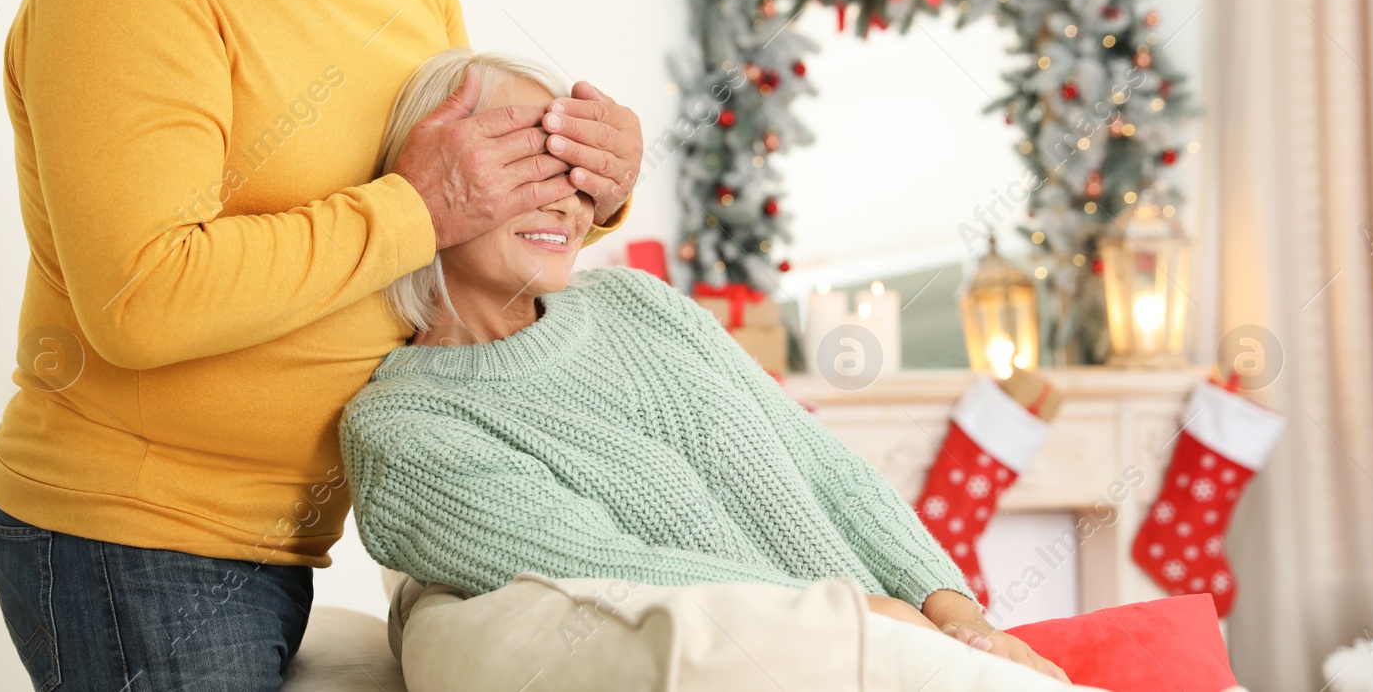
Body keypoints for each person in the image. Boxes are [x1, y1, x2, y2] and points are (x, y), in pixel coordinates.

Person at [0, 0, 642, 690]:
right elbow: (142, 297)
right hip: (141, 538)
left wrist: (587, 178)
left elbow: (452, 200)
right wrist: (413, 208)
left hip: (299, 533)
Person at [341, 50, 1075, 691]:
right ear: (429, 177)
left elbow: (823, 464)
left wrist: (956, 615)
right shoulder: (403, 429)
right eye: (523, 163)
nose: (568, 197)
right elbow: (620, 573)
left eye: (575, 165)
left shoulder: (635, 300)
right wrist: (875, 625)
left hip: (915, 650)